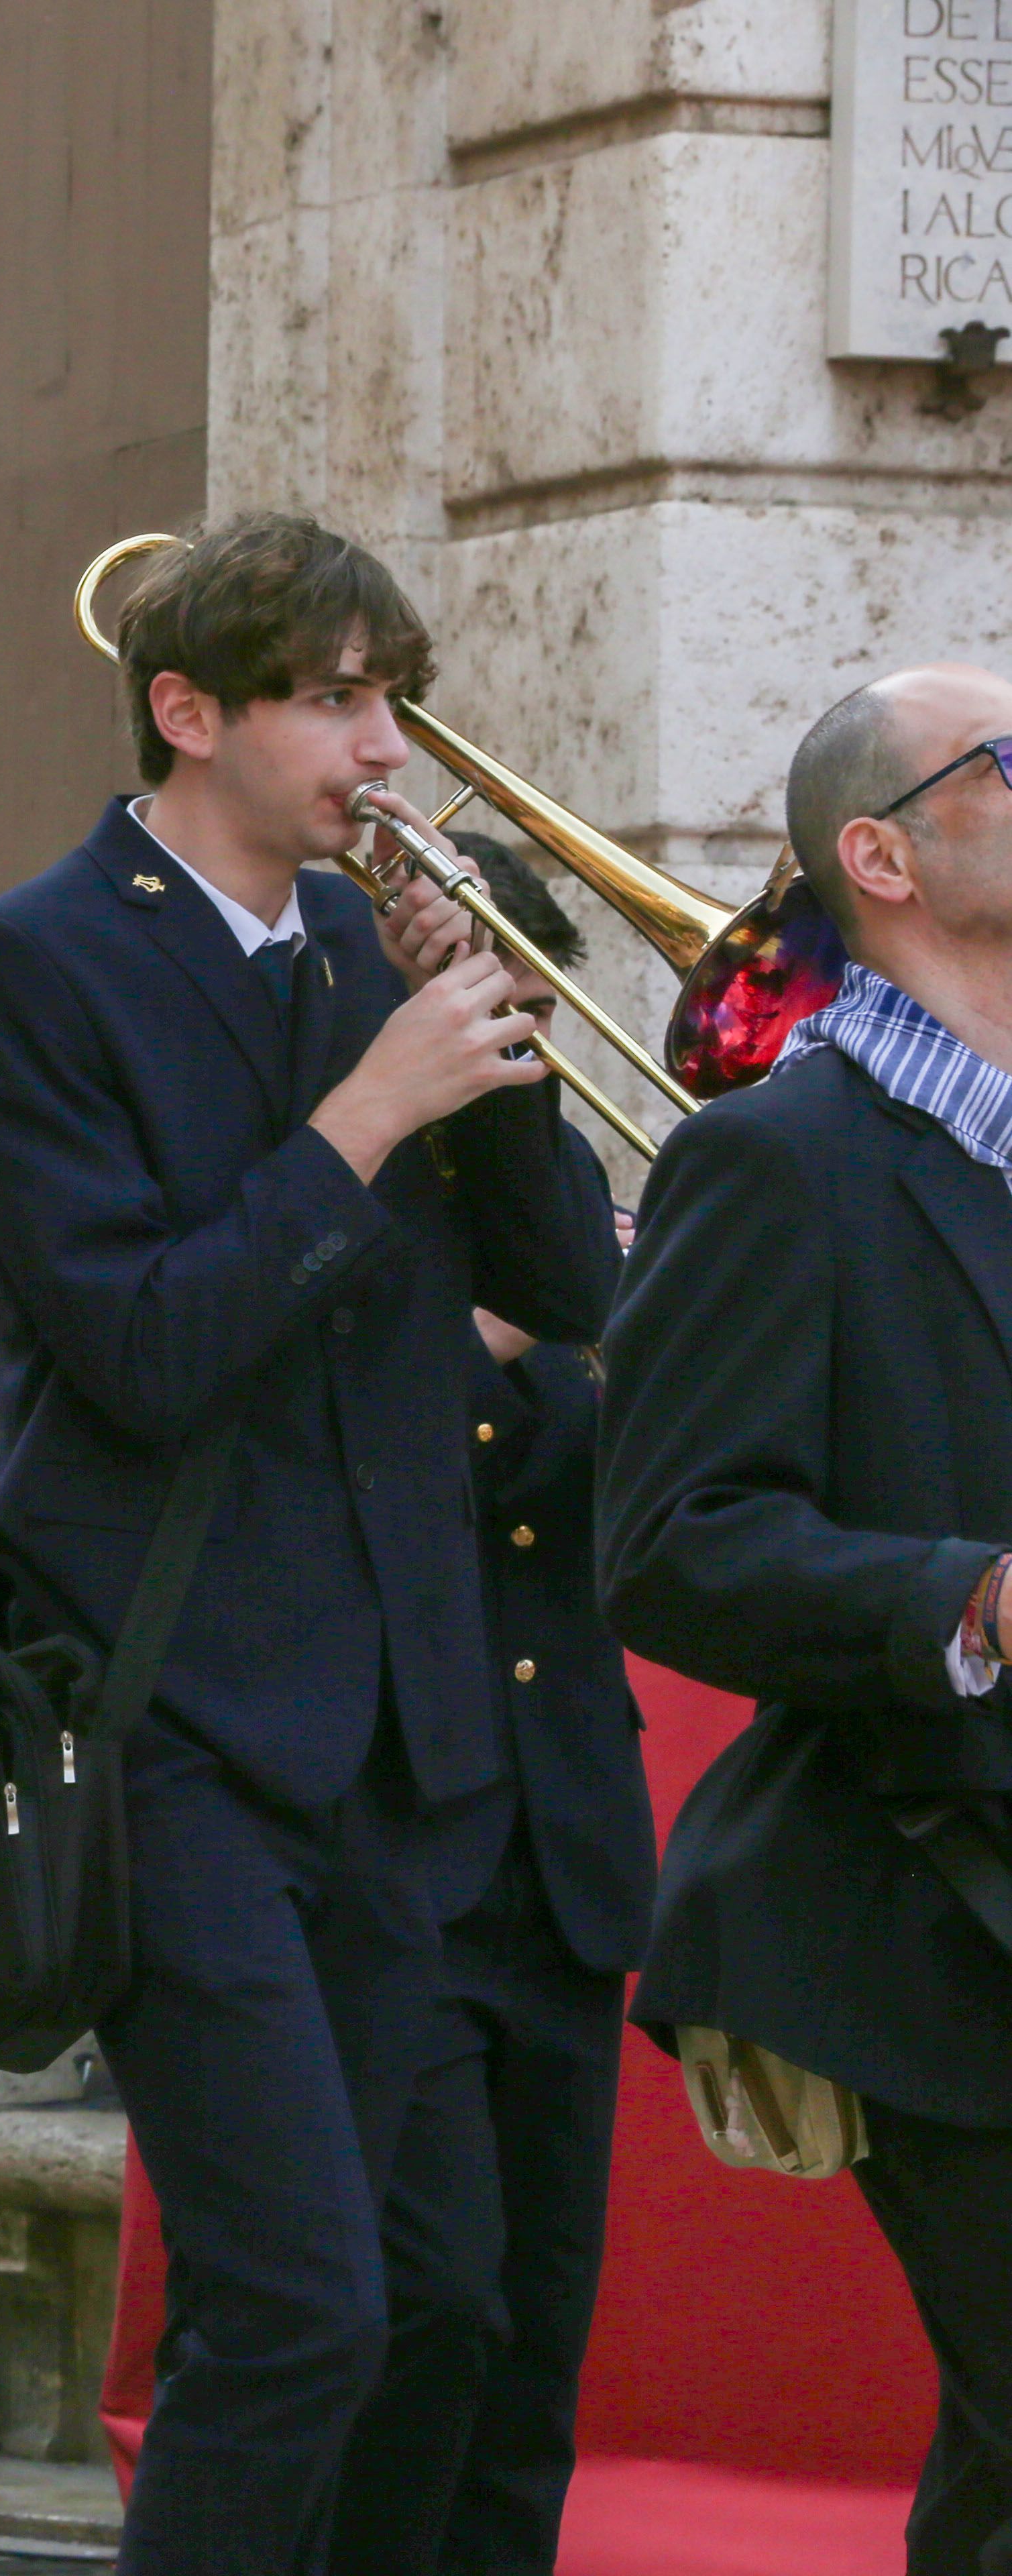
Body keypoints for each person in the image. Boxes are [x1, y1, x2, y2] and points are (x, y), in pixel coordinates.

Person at [0, 515, 615, 2574]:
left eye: (389, 697)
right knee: (301, 2306)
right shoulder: (36, 958)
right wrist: (370, 1112)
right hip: (181, 1741)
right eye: (333, 699)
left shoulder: (365, 949)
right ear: (189, 712)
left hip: (407, 1750)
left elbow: (566, 1278)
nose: (383, 748)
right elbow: (139, 1346)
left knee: (450, 2310)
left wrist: (479, 1061)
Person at [601, 661, 1012, 2576]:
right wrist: (970, 1597)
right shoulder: (775, 1158)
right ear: (885, 854)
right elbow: (676, 1541)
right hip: (927, 1911)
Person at [321, 847, 654, 2576]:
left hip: (565, 1848)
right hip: (398, 1839)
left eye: (533, 990)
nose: (519, 1021)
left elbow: (643, 1503)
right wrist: (504, 1351)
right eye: (490, 984)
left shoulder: (567, 1188)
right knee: (426, 2312)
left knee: (533, 2351)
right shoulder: (345, 1188)